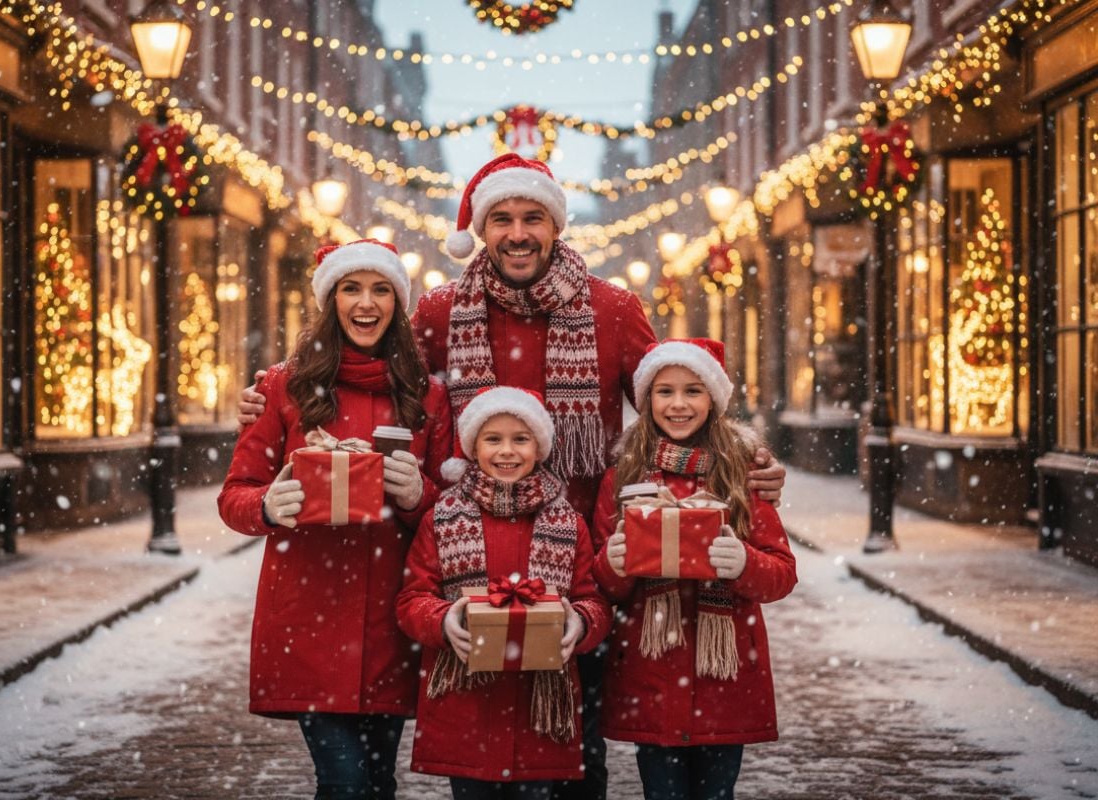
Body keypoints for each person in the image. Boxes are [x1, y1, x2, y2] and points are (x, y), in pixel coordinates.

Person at [237, 153, 788, 799]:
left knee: (574, 749)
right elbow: (374, 361)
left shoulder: (612, 310)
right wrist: (272, 395)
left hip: (581, 559)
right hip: (468, 553)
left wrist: (742, 456)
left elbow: (676, 394)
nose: (518, 232)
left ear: (556, 227)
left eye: (532, 217)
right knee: (475, 740)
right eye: (502, 218)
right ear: (480, 227)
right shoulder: (443, 312)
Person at [217, 239, 453, 800]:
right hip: (310, 613)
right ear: (331, 299)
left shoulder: (427, 396)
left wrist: (421, 493)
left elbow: (454, 510)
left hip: (392, 617)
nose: (365, 303)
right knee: (343, 782)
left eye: (380, 289)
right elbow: (235, 497)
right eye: (351, 288)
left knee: (378, 781)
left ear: (398, 303)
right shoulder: (284, 386)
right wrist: (270, 507)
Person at [592, 338, 798, 800]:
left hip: (725, 677)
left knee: (715, 793)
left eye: (693, 390)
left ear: (714, 400)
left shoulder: (742, 475)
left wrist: (745, 564)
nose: (678, 404)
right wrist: (616, 563)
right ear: (646, 401)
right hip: (651, 671)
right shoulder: (623, 478)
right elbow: (600, 581)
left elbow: (782, 573)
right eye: (665, 391)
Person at [395, 386, 613, 800]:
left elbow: (593, 599)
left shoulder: (567, 522)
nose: (506, 451)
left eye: (521, 439)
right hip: (467, 706)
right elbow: (411, 599)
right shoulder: (442, 518)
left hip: (540, 712)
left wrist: (579, 622)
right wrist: (443, 620)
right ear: (473, 447)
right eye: (493, 439)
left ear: (540, 447)